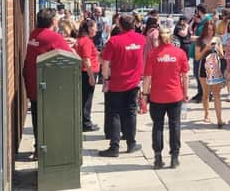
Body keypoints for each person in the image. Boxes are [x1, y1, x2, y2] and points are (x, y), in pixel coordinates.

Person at [22, 8, 72, 159]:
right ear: (53, 21)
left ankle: (39, 147)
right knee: (49, 119)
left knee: (37, 117)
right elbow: (70, 57)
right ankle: (48, 149)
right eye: (56, 18)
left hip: (32, 81)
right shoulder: (53, 37)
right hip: (47, 86)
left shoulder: (34, 34)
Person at [99, 13, 146, 157]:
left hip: (117, 83)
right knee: (130, 112)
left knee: (115, 114)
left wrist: (106, 80)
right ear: (134, 24)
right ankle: (131, 143)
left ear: (119, 25)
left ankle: (114, 147)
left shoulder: (114, 41)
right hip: (134, 82)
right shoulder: (141, 39)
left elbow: (105, 63)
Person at [142, 27, 189, 170]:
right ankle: (174, 157)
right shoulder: (180, 53)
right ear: (171, 38)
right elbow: (185, 76)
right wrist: (185, 93)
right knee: (175, 125)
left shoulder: (153, 54)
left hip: (157, 96)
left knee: (157, 126)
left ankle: (158, 157)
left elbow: (147, 77)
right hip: (175, 95)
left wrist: (144, 95)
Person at [195, 21, 225, 127]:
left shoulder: (217, 39)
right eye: (208, 29)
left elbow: (222, 56)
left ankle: (219, 119)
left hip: (215, 68)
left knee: (217, 94)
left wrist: (217, 48)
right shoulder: (200, 40)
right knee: (206, 93)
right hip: (204, 68)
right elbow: (197, 57)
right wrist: (205, 49)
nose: (210, 31)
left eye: (212, 29)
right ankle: (207, 113)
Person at [76, 19, 100, 132]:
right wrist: (91, 76)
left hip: (85, 72)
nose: (96, 29)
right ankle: (86, 123)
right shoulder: (86, 41)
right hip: (87, 72)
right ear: (89, 28)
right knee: (87, 99)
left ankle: (84, 121)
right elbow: (86, 59)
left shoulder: (82, 39)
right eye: (95, 27)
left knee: (85, 98)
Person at [189, 4, 213, 103]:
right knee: (197, 72)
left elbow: (208, 36)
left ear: (199, 11)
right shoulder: (201, 21)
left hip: (203, 50)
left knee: (201, 73)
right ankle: (200, 92)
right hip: (197, 49)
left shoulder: (208, 21)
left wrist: (197, 38)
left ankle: (206, 93)